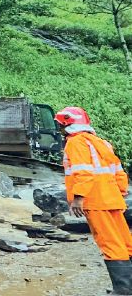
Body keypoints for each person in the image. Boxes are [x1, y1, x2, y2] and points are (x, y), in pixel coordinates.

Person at [57, 107, 132, 294]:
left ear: (67, 125)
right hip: (112, 199)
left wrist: (78, 199)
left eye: (60, 125)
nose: (59, 129)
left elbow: (84, 173)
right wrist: (119, 192)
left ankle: (123, 291)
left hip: (95, 201)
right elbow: (119, 172)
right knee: (125, 242)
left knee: (110, 244)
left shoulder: (75, 143)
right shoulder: (101, 143)